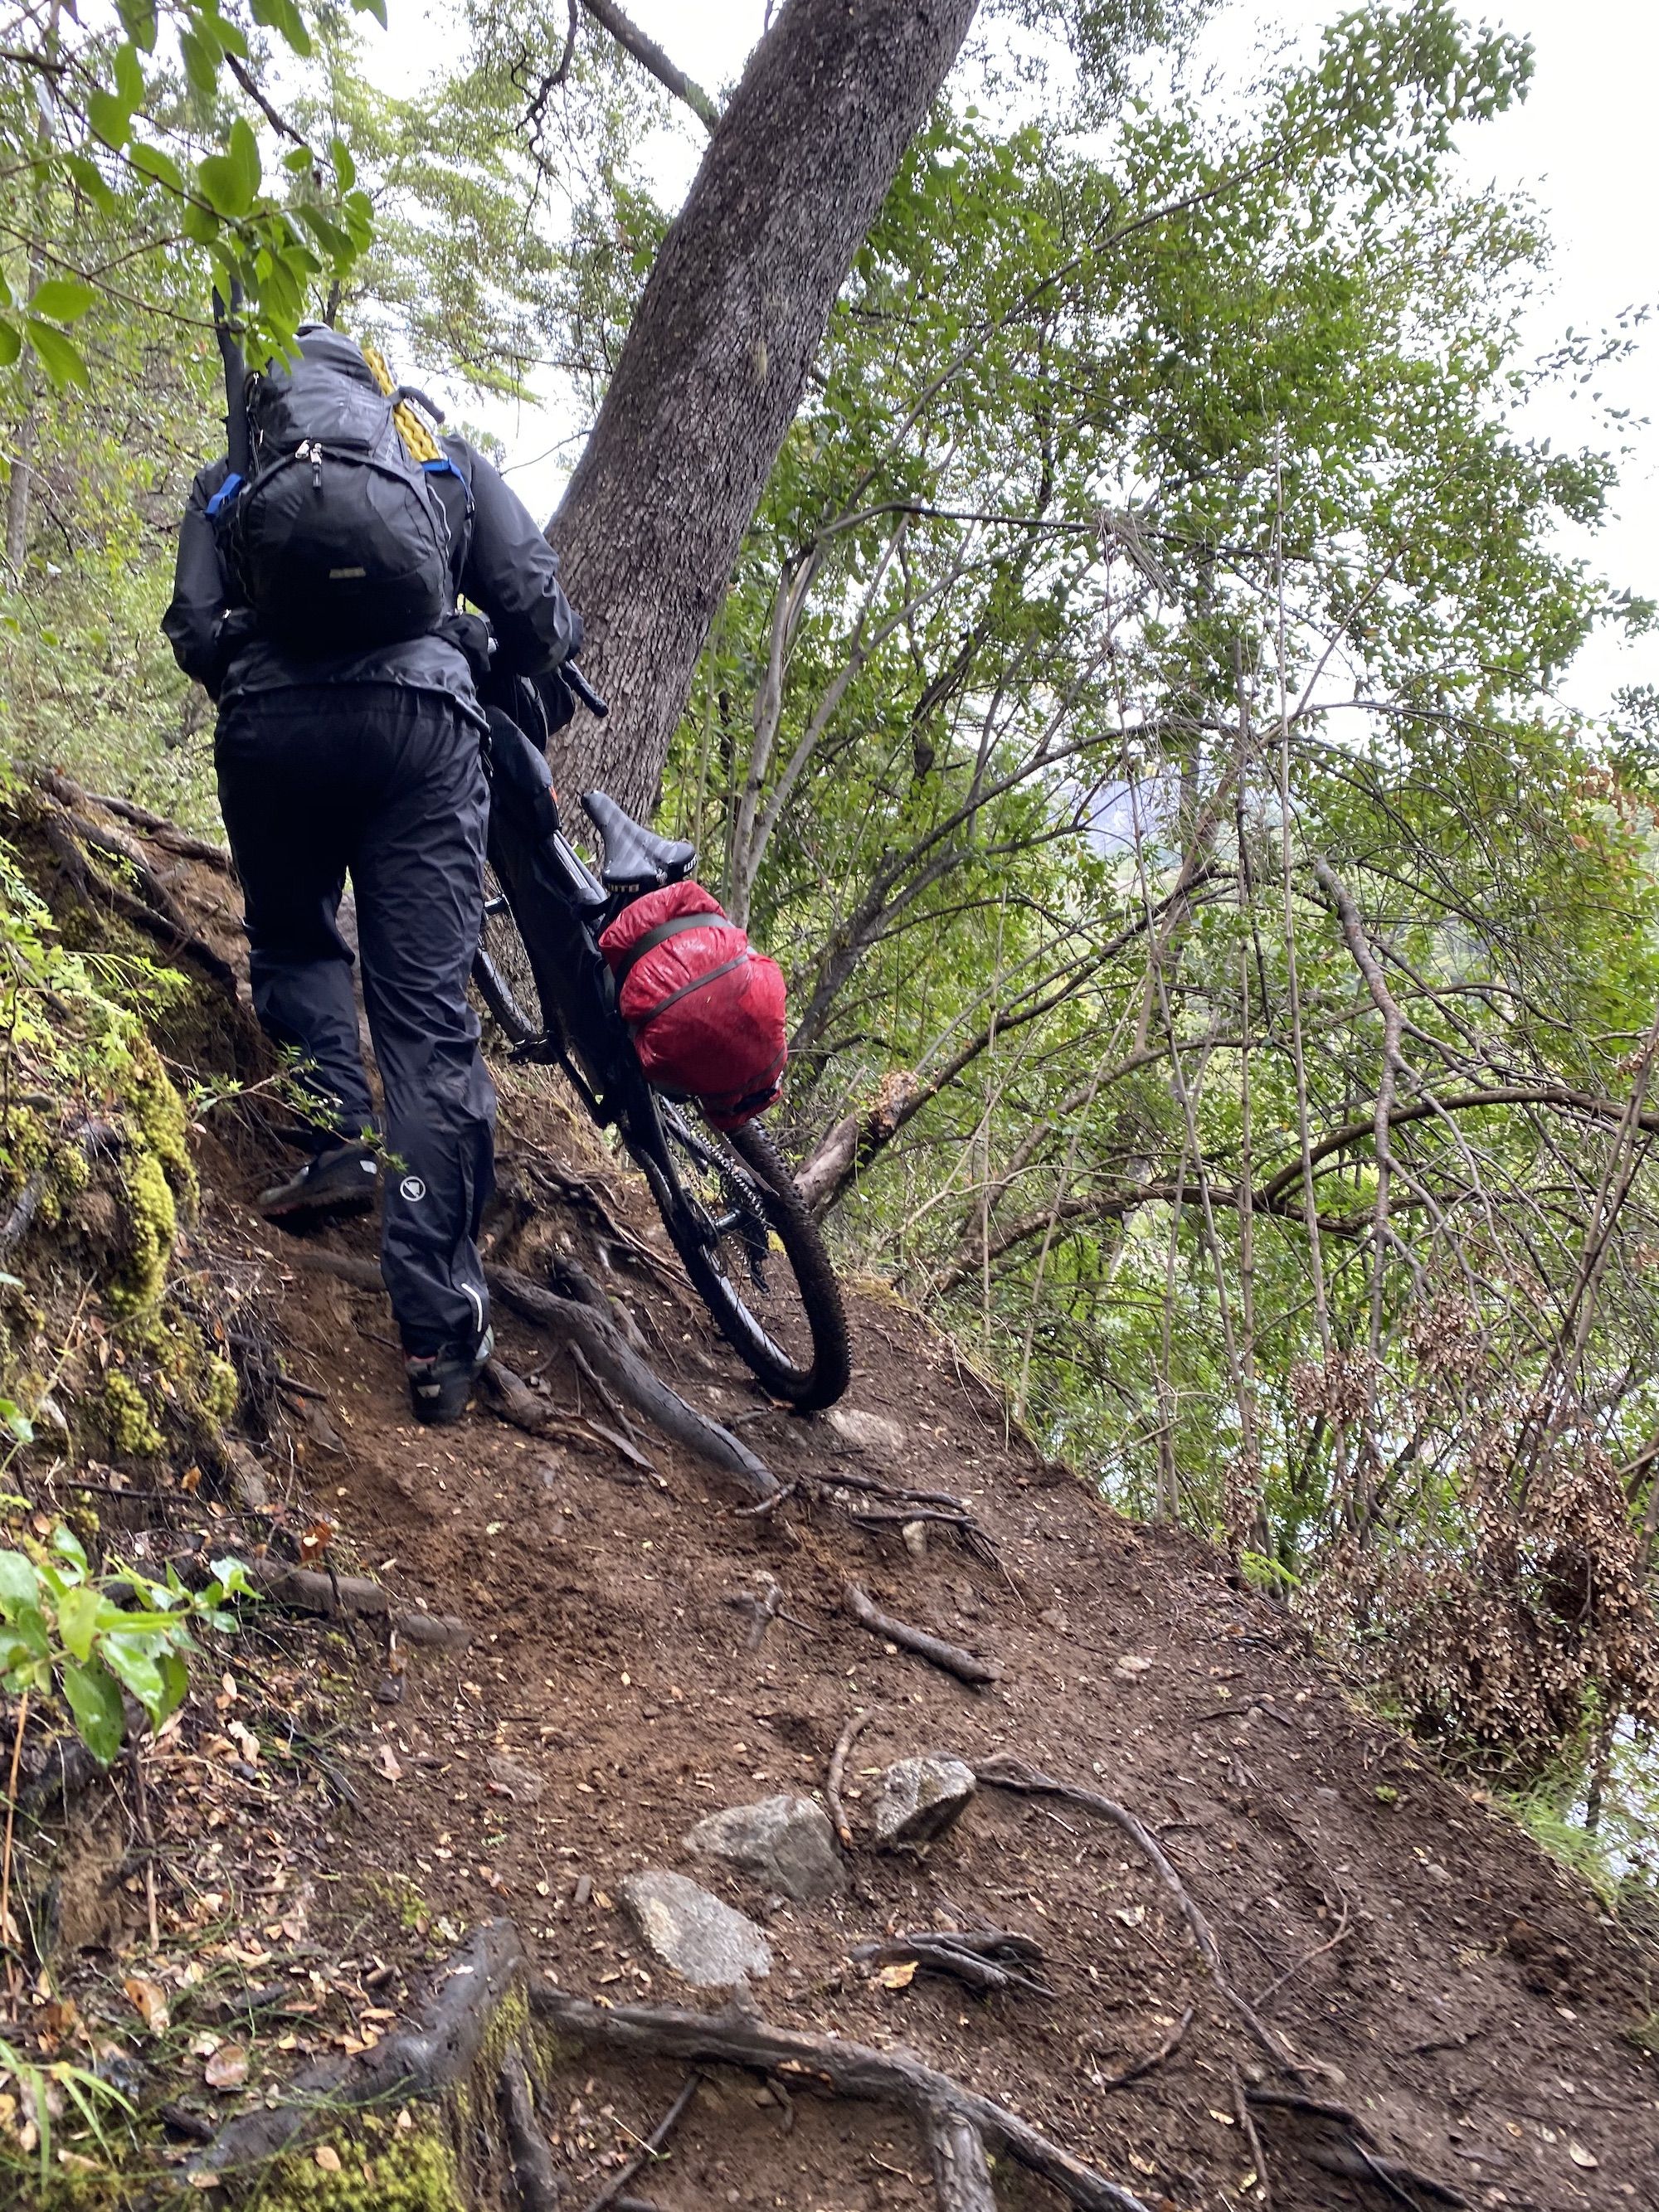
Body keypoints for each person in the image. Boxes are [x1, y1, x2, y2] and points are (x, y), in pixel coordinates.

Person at [163, 323, 581, 1423]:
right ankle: (441, 1343)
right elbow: (534, 606)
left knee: (298, 936)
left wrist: (263, 680)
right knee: (428, 1023)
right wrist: (503, 662)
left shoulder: (239, 466)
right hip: (425, 734)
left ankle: (338, 1140)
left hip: (272, 725)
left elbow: (195, 630)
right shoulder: (427, 440)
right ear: (369, 380)